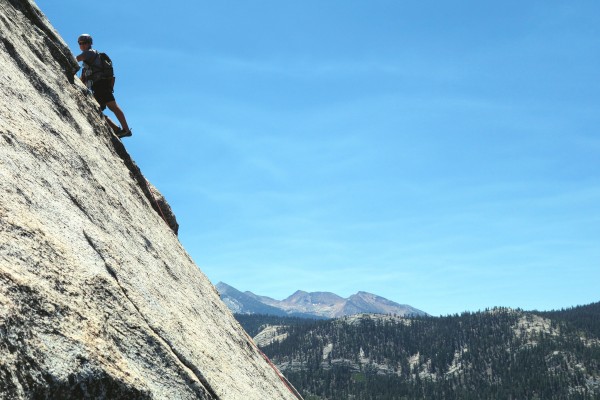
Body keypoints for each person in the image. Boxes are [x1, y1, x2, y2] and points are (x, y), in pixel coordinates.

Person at [76, 34, 132, 138]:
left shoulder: (90, 53)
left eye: (84, 42)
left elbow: (77, 58)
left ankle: (125, 130)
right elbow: (84, 77)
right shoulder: (90, 59)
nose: (82, 45)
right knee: (97, 110)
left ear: (89, 43)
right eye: (80, 43)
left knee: (111, 106)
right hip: (99, 86)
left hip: (100, 85)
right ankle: (117, 129)